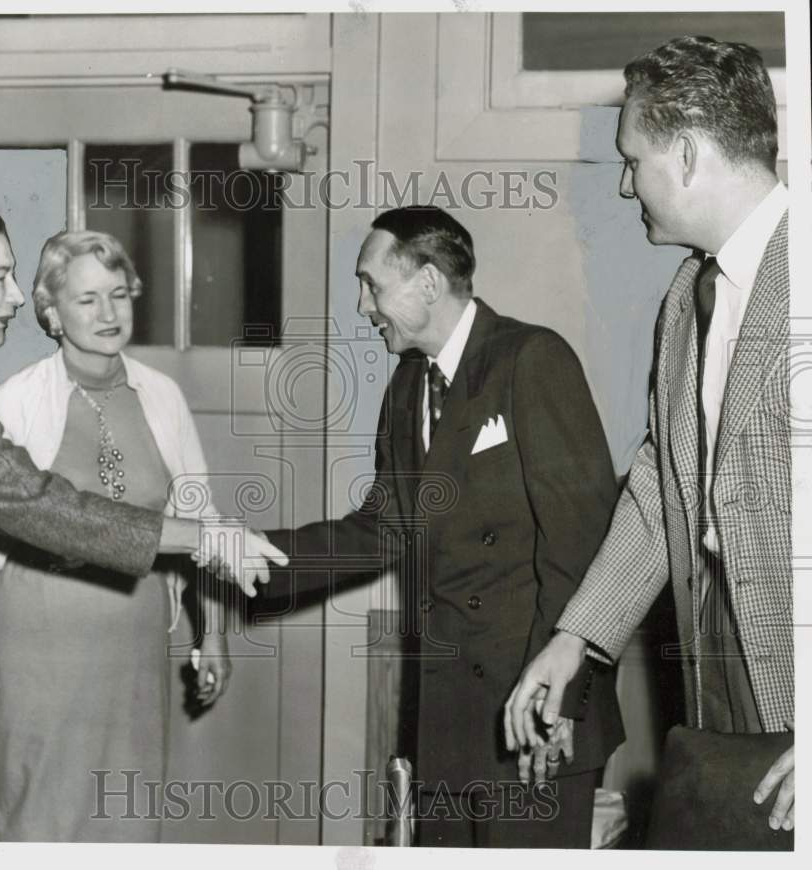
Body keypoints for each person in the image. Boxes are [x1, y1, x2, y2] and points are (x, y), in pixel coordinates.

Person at [0, 196, 285, 839]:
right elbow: (35, 504)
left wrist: (209, 611)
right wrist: (208, 538)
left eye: (118, 293)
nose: (12, 297)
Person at [261, 206, 624, 847]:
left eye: (372, 283)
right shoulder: (406, 387)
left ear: (428, 282)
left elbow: (588, 545)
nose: (361, 302)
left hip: (532, 721)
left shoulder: (531, 359)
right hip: (447, 722)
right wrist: (248, 557)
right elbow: (381, 530)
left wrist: (561, 705)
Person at [505, 36, 794, 837]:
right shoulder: (683, 299)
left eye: (633, 160)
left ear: (692, 155)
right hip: (718, 692)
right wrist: (578, 638)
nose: (626, 183)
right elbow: (660, 485)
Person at [0, 230, 230, 841]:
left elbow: (201, 522)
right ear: (51, 313)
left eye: (118, 295)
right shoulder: (14, 401)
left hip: (130, 646)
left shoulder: (163, 397)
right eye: (87, 300)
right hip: (36, 643)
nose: (108, 314)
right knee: (34, 815)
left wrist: (212, 633)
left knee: (124, 818)